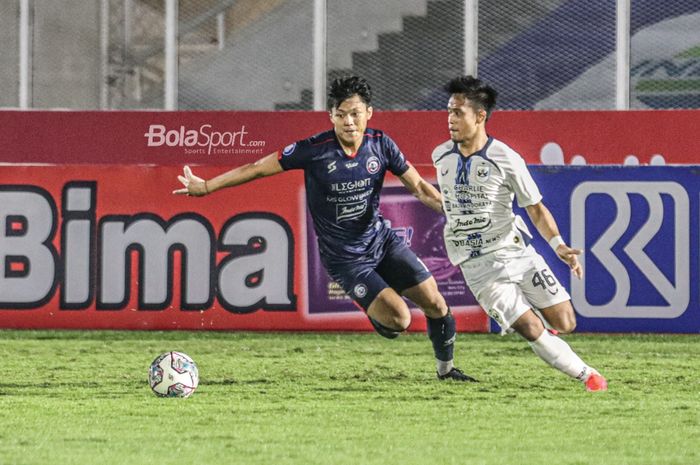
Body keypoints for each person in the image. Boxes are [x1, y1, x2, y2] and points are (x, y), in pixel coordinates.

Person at [174, 76, 476, 381]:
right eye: (341, 114)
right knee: (400, 319)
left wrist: (456, 213)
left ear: (369, 113)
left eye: (355, 113)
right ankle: (379, 313)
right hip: (345, 259)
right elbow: (256, 168)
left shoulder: (380, 144)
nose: (348, 122)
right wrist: (207, 186)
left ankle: (446, 371)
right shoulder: (313, 150)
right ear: (330, 115)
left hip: (381, 242)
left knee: (436, 303)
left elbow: (420, 188)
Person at [431, 75, 607, 391]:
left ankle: (547, 338)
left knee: (565, 322)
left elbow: (535, 208)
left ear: (479, 116)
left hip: (518, 252)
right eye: (448, 112)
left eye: (458, 113)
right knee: (529, 326)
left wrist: (558, 246)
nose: (450, 120)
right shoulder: (441, 156)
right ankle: (587, 375)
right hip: (479, 267)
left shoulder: (507, 158)